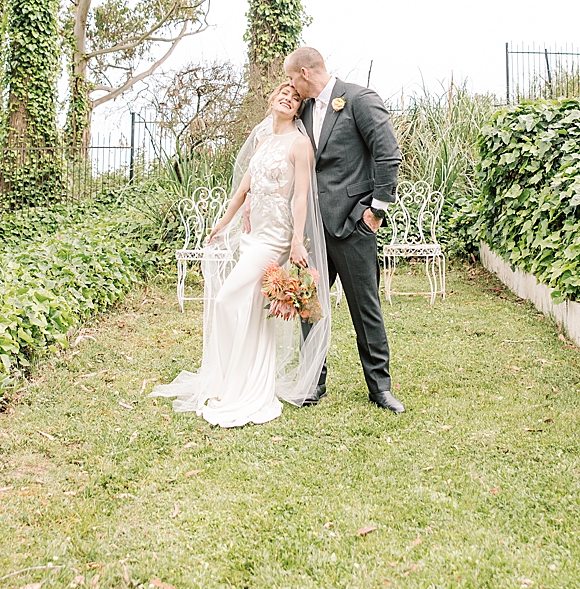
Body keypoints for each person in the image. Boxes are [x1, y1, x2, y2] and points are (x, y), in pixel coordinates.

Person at [151, 82, 332, 426]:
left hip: (275, 238)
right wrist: (224, 221)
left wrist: (296, 240)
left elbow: (300, 197)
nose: (287, 98)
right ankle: (243, 379)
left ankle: (241, 381)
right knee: (250, 307)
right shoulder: (263, 142)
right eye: (283, 92)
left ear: (298, 108)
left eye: (295, 98)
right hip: (253, 236)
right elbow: (242, 189)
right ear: (272, 98)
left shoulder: (300, 144)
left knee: (227, 299)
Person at [283, 47, 405, 413]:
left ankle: (380, 388)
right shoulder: (301, 110)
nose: (290, 86)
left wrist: (376, 212)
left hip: (353, 224)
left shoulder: (359, 100)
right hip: (312, 231)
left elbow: (388, 154)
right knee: (309, 308)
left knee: (365, 308)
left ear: (304, 72)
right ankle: (312, 382)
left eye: (291, 78)